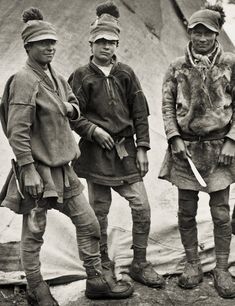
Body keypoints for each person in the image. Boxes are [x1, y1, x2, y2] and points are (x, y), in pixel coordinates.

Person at [0, 7, 133, 305]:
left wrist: (71, 109)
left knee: (89, 224)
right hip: (37, 170)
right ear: (28, 47)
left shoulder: (55, 76)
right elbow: (17, 131)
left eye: (52, 42)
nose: (50, 47)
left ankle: (96, 281)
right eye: (42, 42)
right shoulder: (24, 80)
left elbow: (72, 103)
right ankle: (36, 287)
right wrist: (28, 169)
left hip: (64, 168)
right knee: (35, 231)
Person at [68, 1, 165, 289]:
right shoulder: (81, 76)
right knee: (99, 212)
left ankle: (139, 262)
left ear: (117, 43)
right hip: (96, 154)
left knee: (142, 207)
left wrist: (144, 148)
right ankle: (102, 265)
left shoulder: (126, 73)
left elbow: (139, 113)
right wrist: (93, 131)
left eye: (111, 42)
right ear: (91, 43)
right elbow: (73, 116)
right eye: (101, 42)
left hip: (125, 152)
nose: (106, 47)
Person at [158, 3, 235, 299]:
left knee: (220, 212)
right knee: (186, 210)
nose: (201, 38)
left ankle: (221, 268)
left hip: (220, 149)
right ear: (189, 33)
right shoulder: (177, 67)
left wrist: (231, 140)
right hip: (186, 150)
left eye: (208, 33)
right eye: (196, 32)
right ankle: (192, 264)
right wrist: (174, 137)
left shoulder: (230, 64)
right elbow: (167, 106)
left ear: (217, 34)